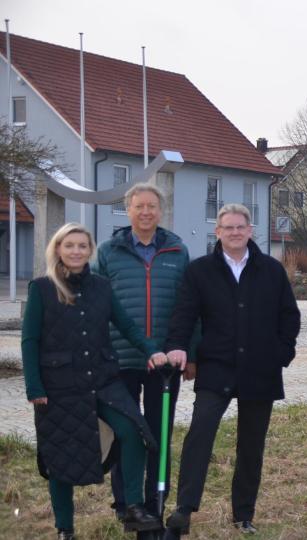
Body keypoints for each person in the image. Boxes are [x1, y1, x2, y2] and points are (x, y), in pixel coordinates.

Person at [21, 223, 168, 539]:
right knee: (59, 453)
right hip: (58, 385)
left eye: (82, 246)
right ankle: (65, 528)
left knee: (134, 431)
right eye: (69, 245)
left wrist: (152, 351)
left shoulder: (102, 286)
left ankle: (133, 507)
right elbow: (29, 340)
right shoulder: (42, 288)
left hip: (103, 379)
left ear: (90, 251)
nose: (75, 251)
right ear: (58, 249)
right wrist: (34, 386)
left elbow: (126, 325)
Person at [163, 204, 301, 535]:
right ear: (218, 232)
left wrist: (281, 354)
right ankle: (184, 508)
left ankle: (243, 513)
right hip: (217, 368)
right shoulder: (200, 271)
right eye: (228, 227)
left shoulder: (270, 270)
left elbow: (289, 316)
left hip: (260, 370)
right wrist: (178, 346)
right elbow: (184, 314)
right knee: (199, 435)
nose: (235, 232)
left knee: (251, 444)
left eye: (241, 227)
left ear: (250, 231)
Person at [93, 183, 191, 519]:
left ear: (160, 211)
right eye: (139, 207)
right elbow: (94, 304)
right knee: (126, 434)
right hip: (119, 360)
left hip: (164, 363)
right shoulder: (108, 252)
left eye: (152, 206)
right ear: (128, 210)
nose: (146, 212)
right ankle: (126, 503)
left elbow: (189, 306)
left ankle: (155, 502)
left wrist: (189, 353)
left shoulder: (177, 251)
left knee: (159, 433)